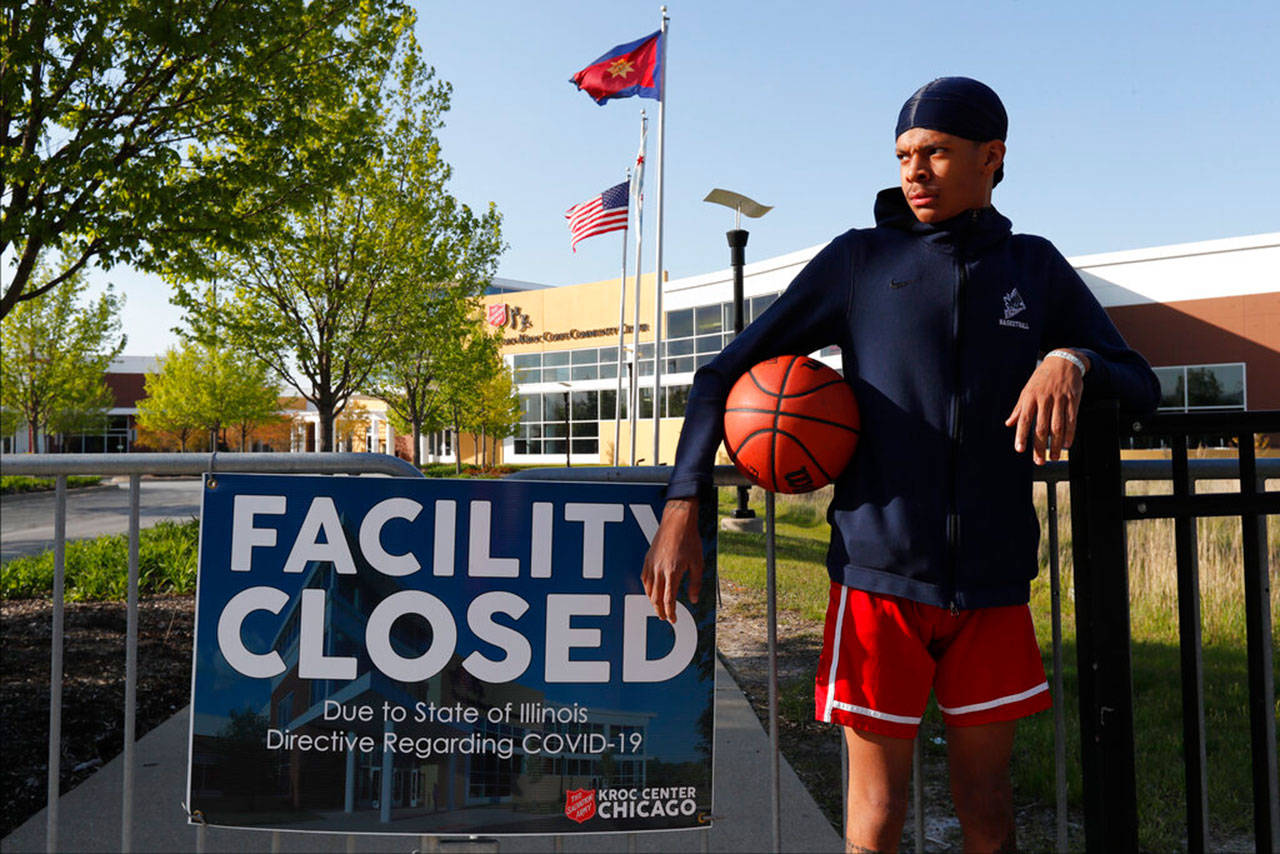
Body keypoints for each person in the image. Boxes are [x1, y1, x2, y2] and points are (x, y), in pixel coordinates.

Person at [641, 77, 1160, 853]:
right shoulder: (861, 260)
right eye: (904, 155)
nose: (914, 170)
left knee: (987, 809)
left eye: (936, 153)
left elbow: (1141, 382)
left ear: (992, 157)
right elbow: (721, 372)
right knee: (877, 819)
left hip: (991, 583)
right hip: (878, 581)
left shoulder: (1034, 268)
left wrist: (1073, 357)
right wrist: (685, 503)